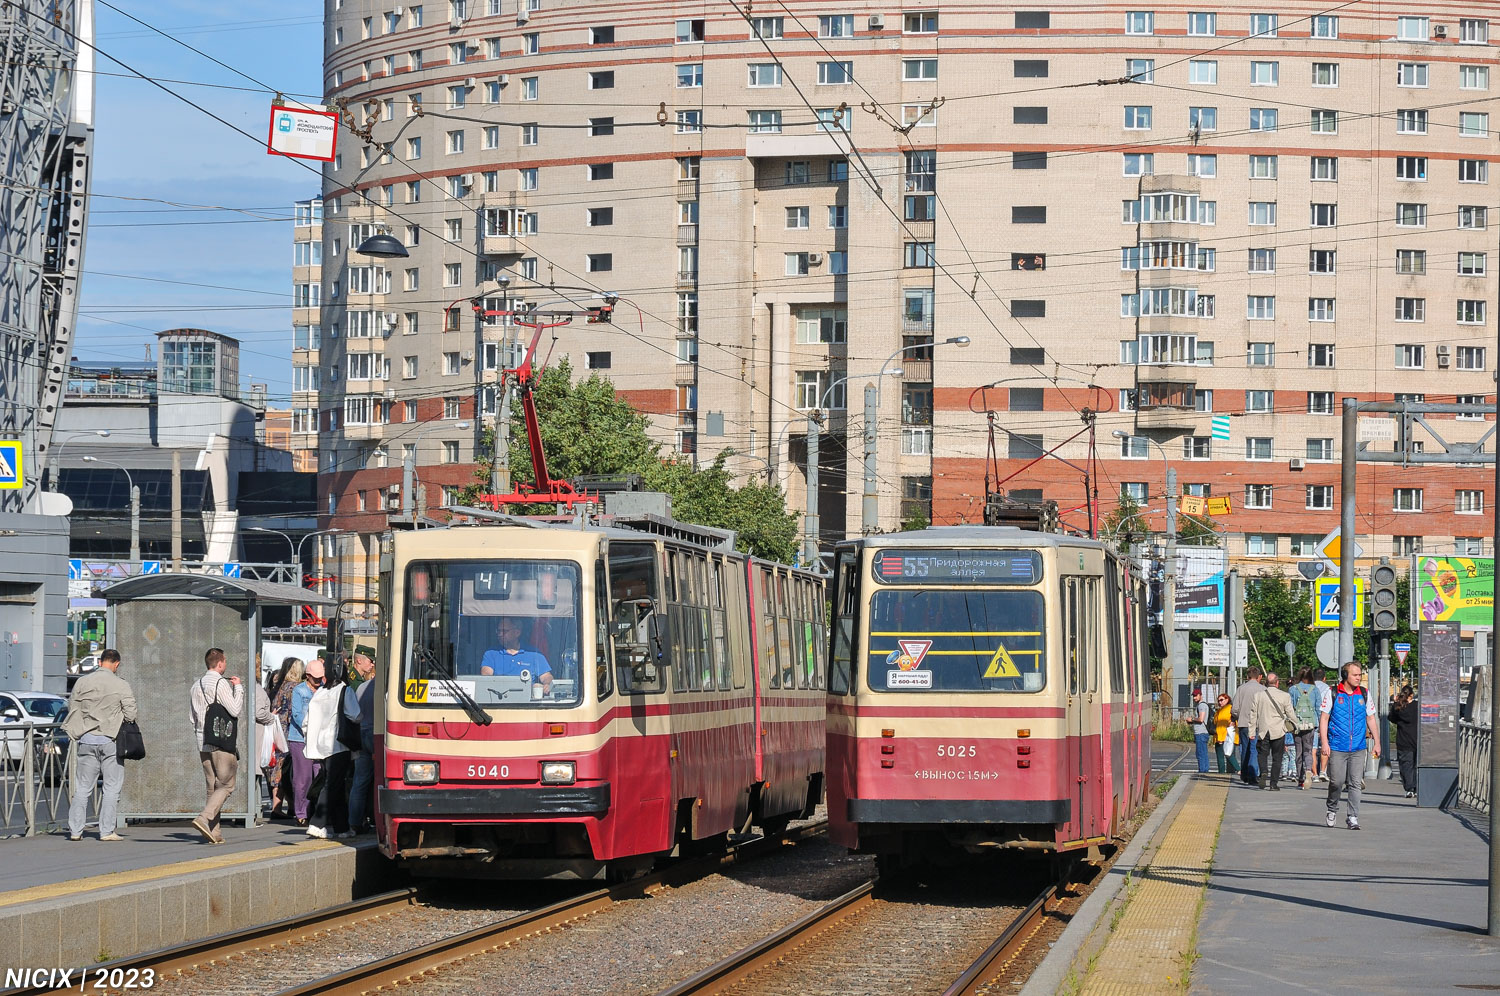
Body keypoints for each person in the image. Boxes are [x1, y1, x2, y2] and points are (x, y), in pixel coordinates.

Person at [62, 648, 137, 841]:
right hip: (110, 740)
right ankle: (106, 831)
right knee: (111, 787)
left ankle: (76, 831)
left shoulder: (82, 681)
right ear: (117, 664)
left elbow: (73, 707)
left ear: (100, 662)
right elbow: (131, 714)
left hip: (86, 739)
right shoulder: (120, 684)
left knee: (83, 788)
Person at [189, 647, 244, 843]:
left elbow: (192, 718)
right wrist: (238, 688)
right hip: (221, 741)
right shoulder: (221, 683)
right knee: (227, 784)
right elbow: (235, 710)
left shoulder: (196, 685)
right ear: (220, 664)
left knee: (212, 786)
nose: (226, 665)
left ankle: (214, 832)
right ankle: (203, 818)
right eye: (225, 662)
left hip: (202, 740)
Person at [304, 657, 361, 840]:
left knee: (335, 783)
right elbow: (355, 715)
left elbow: (306, 722)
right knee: (333, 785)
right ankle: (316, 823)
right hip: (338, 744)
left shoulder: (319, 693)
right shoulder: (345, 690)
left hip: (320, 745)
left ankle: (341, 827)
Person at [1320, 661, 1380, 830]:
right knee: (1337, 782)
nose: (1359, 678)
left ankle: (1352, 817)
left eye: (1360, 674)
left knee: (1355, 783)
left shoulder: (1364, 694)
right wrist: (1325, 742)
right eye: (1355, 675)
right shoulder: (1332, 693)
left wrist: (1377, 742)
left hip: (1358, 747)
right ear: (1345, 676)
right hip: (1338, 746)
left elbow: (1371, 719)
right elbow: (1324, 719)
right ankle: (1332, 809)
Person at [286, 658, 324, 826]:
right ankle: (301, 813)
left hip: (319, 740)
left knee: (319, 775)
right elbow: (296, 715)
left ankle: (316, 812)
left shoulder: (323, 690)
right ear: (307, 675)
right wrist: (311, 730)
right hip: (300, 739)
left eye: (320, 677)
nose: (318, 680)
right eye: (315, 677)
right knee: (303, 779)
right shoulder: (299, 691)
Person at [267, 658, 305, 818]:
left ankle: (277, 806)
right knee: (290, 769)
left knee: (279, 766)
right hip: (290, 730)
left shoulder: (278, 686)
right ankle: (288, 806)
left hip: (277, 729)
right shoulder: (295, 688)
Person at [480, 616, 553, 693]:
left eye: (504, 631)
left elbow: (546, 676)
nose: (500, 634)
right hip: (499, 699)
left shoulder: (533, 653)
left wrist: (547, 685)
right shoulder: (491, 653)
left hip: (528, 702)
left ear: (517, 632)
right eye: (498, 631)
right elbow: (486, 676)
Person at [347, 650, 377, 833]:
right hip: (376, 734)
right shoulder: (384, 688)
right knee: (380, 780)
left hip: (361, 733)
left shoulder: (362, 687)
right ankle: (375, 818)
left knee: (359, 781)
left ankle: (354, 822)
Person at [1251, 672, 1297, 790]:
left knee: (1262, 754)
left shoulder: (1258, 695)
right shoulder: (1285, 696)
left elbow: (1253, 715)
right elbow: (1290, 713)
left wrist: (1251, 731)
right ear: (1277, 683)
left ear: (1266, 682)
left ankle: (1264, 772)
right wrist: (1296, 725)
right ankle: (1273, 784)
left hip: (1263, 730)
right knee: (1277, 757)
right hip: (1278, 730)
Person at [1231, 665, 1265, 786]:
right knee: (1254, 749)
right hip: (1257, 724)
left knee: (1244, 749)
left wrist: (1238, 716)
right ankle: (1252, 775)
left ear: (1247, 676)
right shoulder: (1262, 689)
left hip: (1243, 723)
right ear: (1259, 677)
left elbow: (1234, 708)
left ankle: (1244, 774)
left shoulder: (1241, 688)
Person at [1289, 668, 1320, 788]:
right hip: (1311, 724)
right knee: (1308, 750)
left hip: (1297, 724)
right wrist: (1317, 725)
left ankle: (1300, 778)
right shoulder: (1315, 690)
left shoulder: (1293, 689)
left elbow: (1290, 707)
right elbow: (1318, 708)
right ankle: (1308, 769)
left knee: (1298, 751)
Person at [1391, 683, 1419, 797]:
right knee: (1416, 766)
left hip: (1403, 740)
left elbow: (1392, 718)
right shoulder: (1417, 706)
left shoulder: (1398, 707)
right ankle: (1417, 788)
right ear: (1411, 695)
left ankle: (1409, 789)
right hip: (1417, 739)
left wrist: (1395, 703)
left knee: (1405, 765)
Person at [1311, 669, 1334, 782]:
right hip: (1325, 721)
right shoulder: (1328, 689)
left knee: (1313, 749)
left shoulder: (1309, 687)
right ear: (1324, 678)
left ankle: (1314, 774)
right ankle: (1323, 771)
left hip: (1311, 721)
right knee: (1325, 746)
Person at [1212, 693, 1238, 774]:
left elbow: (1234, 721)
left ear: (1227, 699)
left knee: (1228, 754)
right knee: (1220, 757)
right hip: (1218, 736)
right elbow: (1215, 722)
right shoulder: (1219, 710)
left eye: (1222, 700)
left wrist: (1232, 723)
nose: (1220, 702)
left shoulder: (1230, 709)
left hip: (1226, 736)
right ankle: (1221, 773)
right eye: (1218, 700)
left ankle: (1239, 769)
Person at [1190, 688, 1211, 773]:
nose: (1194, 698)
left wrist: (1191, 719)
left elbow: (1201, 719)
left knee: (1200, 753)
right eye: (1193, 696)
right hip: (1202, 733)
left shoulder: (1201, 705)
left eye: (1196, 696)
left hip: (1201, 733)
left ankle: (1203, 771)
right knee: (1203, 753)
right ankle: (1204, 770)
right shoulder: (1201, 705)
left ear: (1200, 695)